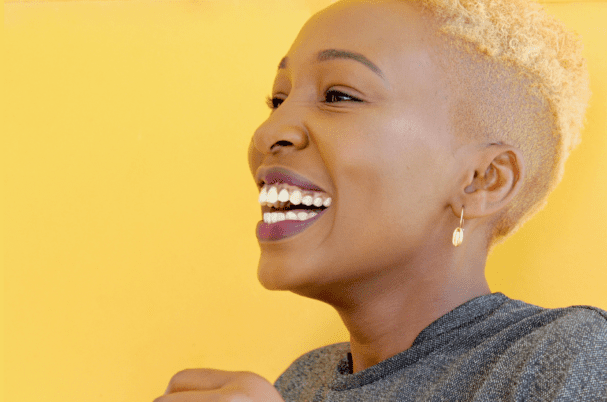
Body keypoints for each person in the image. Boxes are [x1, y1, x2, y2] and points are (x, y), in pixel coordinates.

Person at [155, 0, 606, 400]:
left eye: (338, 96)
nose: (269, 132)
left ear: (482, 180)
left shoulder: (573, 356)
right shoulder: (301, 383)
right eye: (278, 99)